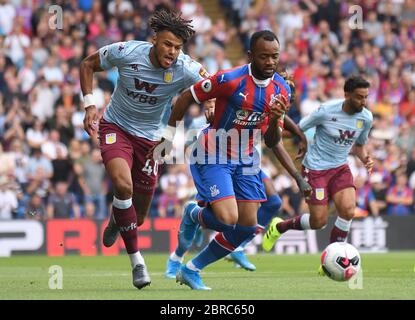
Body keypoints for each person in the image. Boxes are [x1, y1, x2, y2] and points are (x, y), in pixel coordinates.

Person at [80, 9, 212, 290]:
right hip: (116, 127)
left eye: (177, 47)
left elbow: (211, 86)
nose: (172, 52)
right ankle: (137, 263)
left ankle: (118, 217)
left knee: (137, 217)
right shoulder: (127, 52)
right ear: (154, 40)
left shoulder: (185, 67)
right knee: (122, 185)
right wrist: (90, 104)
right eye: (167, 45)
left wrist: (210, 104)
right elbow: (88, 64)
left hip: (152, 141)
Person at [150, 30, 291, 290]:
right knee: (228, 220)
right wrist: (168, 138)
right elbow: (185, 98)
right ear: (250, 56)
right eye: (264, 57)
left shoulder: (281, 89)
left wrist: (274, 119)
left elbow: (272, 141)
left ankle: (191, 269)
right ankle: (193, 213)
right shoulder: (230, 79)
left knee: (247, 227)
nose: (270, 62)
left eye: (275, 56)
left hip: (247, 158)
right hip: (213, 152)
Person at [164, 95, 312, 277]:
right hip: (215, 163)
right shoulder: (198, 124)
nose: (211, 105)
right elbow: (191, 148)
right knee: (225, 220)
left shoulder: (246, 108)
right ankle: (178, 255)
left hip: (248, 163)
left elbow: (275, 134)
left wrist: (295, 131)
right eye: (208, 102)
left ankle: (238, 245)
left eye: (215, 101)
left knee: (272, 203)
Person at [261, 75, 374, 275]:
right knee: (318, 222)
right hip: (315, 169)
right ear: (347, 95)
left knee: (348, 211)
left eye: (365, 97)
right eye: (359, 97)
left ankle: (329, 263)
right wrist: (269, 131)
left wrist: (365, 158)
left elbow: (359, 146)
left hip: (340, 168)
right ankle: (280, 227)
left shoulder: (365, 118)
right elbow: (297, 129)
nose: (363, 102)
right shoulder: (326, 111)